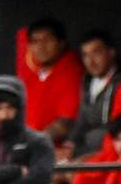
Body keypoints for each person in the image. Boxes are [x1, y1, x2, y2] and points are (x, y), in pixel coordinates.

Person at [17, 16, 83, 147]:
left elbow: (66, 123)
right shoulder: (31, 80)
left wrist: (31, 146)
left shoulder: (72, 72)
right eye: (35, 41)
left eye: (47, 40)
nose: (41, 47)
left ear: (61, 43)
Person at [67, 29, 119, 160]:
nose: (90, 61)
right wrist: (70, 144)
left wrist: (77, 152)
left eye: (96, 53)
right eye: (85, 55)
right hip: (84, 150)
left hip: (109, 153)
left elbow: (114, 131)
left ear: (111, 52)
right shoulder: (87, 82)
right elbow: (82, 120)